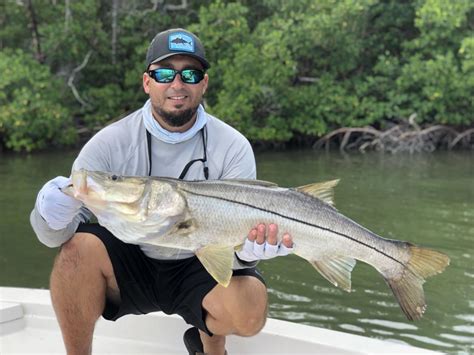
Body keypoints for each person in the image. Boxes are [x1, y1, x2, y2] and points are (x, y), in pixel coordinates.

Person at [30, 28, 294, 355]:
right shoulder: (108, 144)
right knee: (76, 251)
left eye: (191, 74)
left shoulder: (233, 147)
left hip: (197, 262)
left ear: (204, 83)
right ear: (147, 82)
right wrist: (48, 212)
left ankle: (208, 344)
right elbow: (54, 237)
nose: (177, 84)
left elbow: (234, 259)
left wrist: (247, 251)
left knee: (251, 307)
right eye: (165, 73)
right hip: (130, 260)